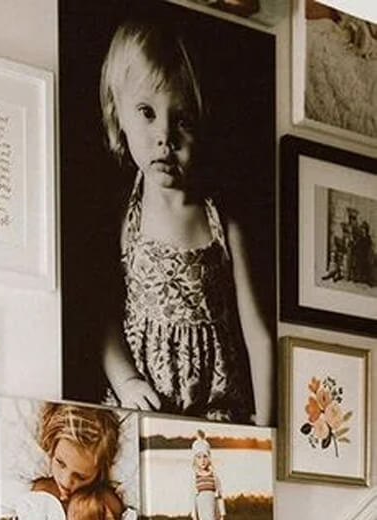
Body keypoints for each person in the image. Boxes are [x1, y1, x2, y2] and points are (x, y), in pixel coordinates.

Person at [99, 18, 273, 425]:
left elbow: (258, 334)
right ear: (117, 112)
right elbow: (102, 315)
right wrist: (125, 381)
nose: (165, 136)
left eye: (183, 120)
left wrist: (265, 432)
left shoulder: (222, 223)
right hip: (141, 407)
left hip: (216, 412)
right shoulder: (123, 215)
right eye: (146, 112)